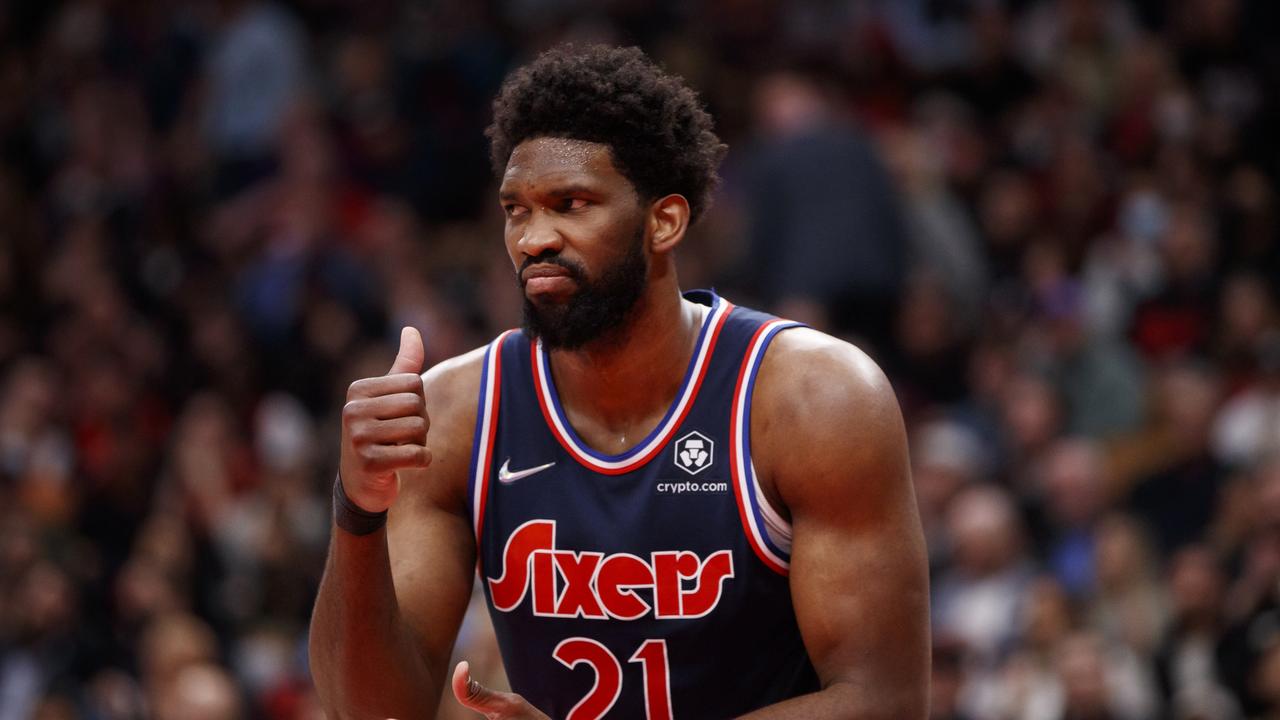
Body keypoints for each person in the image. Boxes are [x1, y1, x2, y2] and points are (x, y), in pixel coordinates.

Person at [309, 44, 929, 719]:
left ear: (664, 221)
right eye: (517, 210)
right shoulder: (455, 413)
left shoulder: (813, 396)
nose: (534, 238)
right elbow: (371, 712)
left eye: (570, 204)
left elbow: (883, 700)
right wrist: (358, 509)